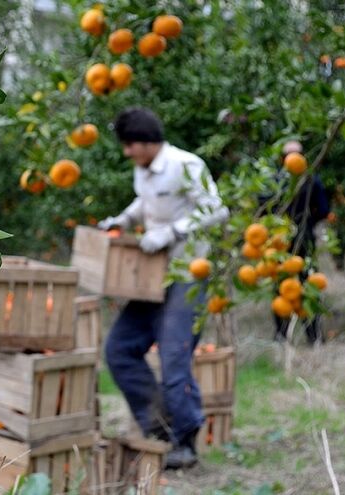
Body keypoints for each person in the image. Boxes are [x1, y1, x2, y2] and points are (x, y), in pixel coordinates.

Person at [99, 107, 229, 469]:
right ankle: (159, 428)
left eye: (129, 145)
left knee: (174, 358)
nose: (127, 152)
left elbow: (216, 210)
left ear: (146, 141)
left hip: (187, 274)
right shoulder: (142, 171)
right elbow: (146, 203)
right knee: (119, 350)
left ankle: (185, 443)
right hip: (152, 276)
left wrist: (172, 232)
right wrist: (123, 220)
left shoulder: (185, 165)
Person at [274, 141, 331, 343]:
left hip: (281, 240)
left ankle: (287, 335)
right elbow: (323, 210)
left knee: (286, 285)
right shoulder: (310, 180)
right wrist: (308, 221)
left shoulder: (276, 181)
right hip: (298, 237)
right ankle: (310, 335)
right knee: (305, 284)